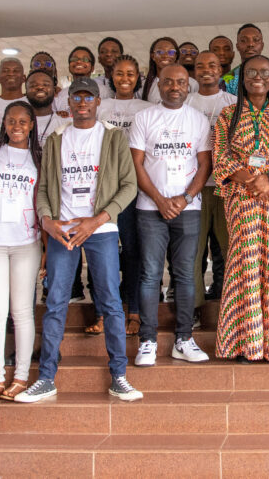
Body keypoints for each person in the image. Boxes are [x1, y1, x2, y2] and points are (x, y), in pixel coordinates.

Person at [18, 78, 142, 402]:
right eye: (77, 97)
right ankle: (46, 378)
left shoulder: (114, 138)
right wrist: (48, 221)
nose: (82, 103)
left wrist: (98, 219)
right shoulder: (56, 139)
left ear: (99, 102)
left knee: (112, 303)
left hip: (100, 230)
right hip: (64, 231)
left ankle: (119, 375)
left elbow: (129, 186)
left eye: (88, 97)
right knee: (56, 302)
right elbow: (43, 189)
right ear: (69, 102)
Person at [212, 54, 269, 362]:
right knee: (244, 261)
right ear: (240, 77)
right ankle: (243, 344)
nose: (258, 77)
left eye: (264, 72)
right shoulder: (228, 114)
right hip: (241, 197)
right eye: (251, 72)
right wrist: (247, 178)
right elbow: (220, 154)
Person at [129, 64, 212, 367]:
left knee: (186, 275)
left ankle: (184, 339)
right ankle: (148, 341)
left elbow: (205, 164)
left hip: (188, 209)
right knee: (150, 275)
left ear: (187, 86)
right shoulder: (144, 117)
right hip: (150, 209)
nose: (174, 87)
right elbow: (135, 164)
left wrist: (185, 197)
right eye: (168, 82)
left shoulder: (198, 120)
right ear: (159, 86)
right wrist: (160, 200)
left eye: (180, 82)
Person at [0, 101, 41, 403]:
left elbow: (46, 203)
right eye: (11, 121)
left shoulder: (38, 158)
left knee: (22, 312)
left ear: (31, 125)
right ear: (3, 123)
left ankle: (22, 376)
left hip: (26, 242)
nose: (17, 127)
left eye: (23, 122)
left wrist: (48, 251)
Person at [97, 55, 152, 333]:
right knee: (102, 250)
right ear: (111, 77)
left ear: (138, 76)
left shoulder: (147, 107)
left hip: (134, 187)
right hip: (103, 189)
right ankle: (103, 310)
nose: (125, 79)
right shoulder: (101, 106)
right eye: (119, 74)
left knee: (133, 251)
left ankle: (133, 309)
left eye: (130, 74)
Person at [186, 52, 237, 308]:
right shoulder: (185, 103)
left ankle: (234, 312)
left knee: (232, 252)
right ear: (194, 72)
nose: (207, 70)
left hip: (227, 188)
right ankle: (193, 309)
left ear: (221, 70)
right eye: (200, 66)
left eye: (213, 65)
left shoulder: (234, 103)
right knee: (193, 254)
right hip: (193, 189)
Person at [223, 24, 269, 101]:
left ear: (262, 45)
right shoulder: (228, 78)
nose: (250, 44)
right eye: (244, 40)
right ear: (237, 46)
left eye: (256, 40)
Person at [142, 36, 200, 103]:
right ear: (153, 56)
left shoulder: (191, 83)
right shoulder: (144, 85)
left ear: (175, 56)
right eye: (160, 52)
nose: (165, 56)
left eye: (171, 52)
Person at [26, 69, 71, 147]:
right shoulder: (18, 125)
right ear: (26, 92)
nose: (40, 87)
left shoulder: (68, 124)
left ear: (54, 91)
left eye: (46, 84)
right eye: (33, 85)